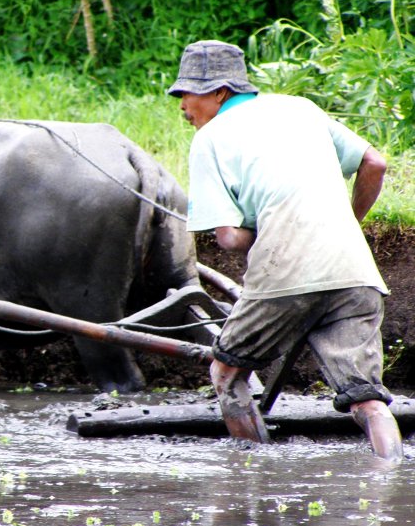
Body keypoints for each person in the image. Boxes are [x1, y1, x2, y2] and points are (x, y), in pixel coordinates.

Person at [168, 39, 403, 460]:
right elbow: (376, 163)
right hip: (356, 273)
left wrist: (268, 237)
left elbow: (228, 238)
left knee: (226, 373)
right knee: (367, 399)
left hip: (285, 276)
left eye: (186, 93)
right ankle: (394, 476)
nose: (183, 107)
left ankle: (252, 477)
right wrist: (350, 222)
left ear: (219, 92)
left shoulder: (210, 139)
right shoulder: (300, 108)